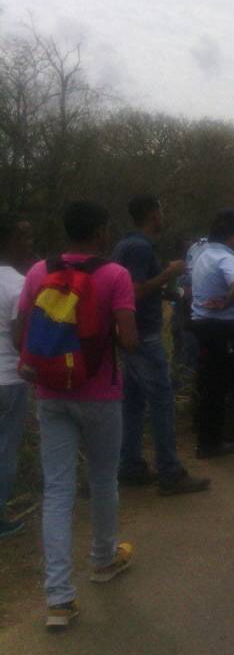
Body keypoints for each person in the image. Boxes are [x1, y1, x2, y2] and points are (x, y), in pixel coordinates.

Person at [15, 202, 139, 630]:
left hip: (49, 391)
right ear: (102, 231)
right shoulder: (114, 275)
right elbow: (130, 338)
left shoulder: (36, 272)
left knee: (57, 490)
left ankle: (59, 599)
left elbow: (19, 333)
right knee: (103, 479)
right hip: (100, 394)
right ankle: (103, 562)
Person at [112, 196, 210, 495]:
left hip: (131, 335)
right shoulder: (140, 248)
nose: (163, 215)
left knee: (133, 403)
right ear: (154, 214)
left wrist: (167, 290)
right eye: (162, 210)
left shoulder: (125, 245)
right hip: (144, 336)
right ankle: (169, 472)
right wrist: (169, 273)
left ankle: (129, 466)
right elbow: (133, 291)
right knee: (161, 402)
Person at [189, 209, 234, 459]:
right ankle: (211, 443)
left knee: (207, 383)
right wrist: (226, 303)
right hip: (220, 328)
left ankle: (206, 437)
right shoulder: (228, 258)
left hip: (201, 324)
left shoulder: (202, 254)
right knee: (218, 385)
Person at [0, 214, 33, 538]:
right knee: (6, 448)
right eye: (24, 237)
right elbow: (18, 338)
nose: (30, 243)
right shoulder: (19, 283)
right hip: (8, 378)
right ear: (8, 241)